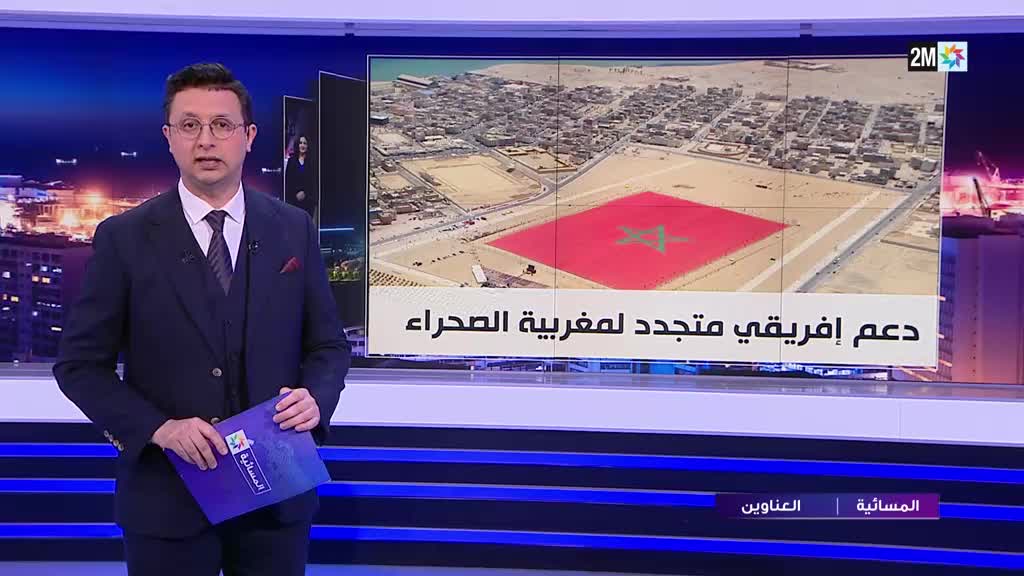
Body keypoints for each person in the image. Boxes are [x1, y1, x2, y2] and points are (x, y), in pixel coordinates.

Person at [52, 62, 350, 575]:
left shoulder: (293, 228)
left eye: (222, 125)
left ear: (248, 137)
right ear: (168, 137)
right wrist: (159, 428)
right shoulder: (124, 237)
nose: (206, 140)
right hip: (167, 497)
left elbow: (328, 346)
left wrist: (316, 399)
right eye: (189, 125)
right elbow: (79, 366)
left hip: (275, 490)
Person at [285, 134, 317, 221]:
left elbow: (314, 181)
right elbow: (288, 181)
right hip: (294, 201)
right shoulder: (291, 161)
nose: (302, 145)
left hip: (308, 202)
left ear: (307, 146)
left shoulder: (312, 161)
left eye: (305, 143)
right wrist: (295, 195)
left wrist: (305, 193)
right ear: (297, 145)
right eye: (300, 143)